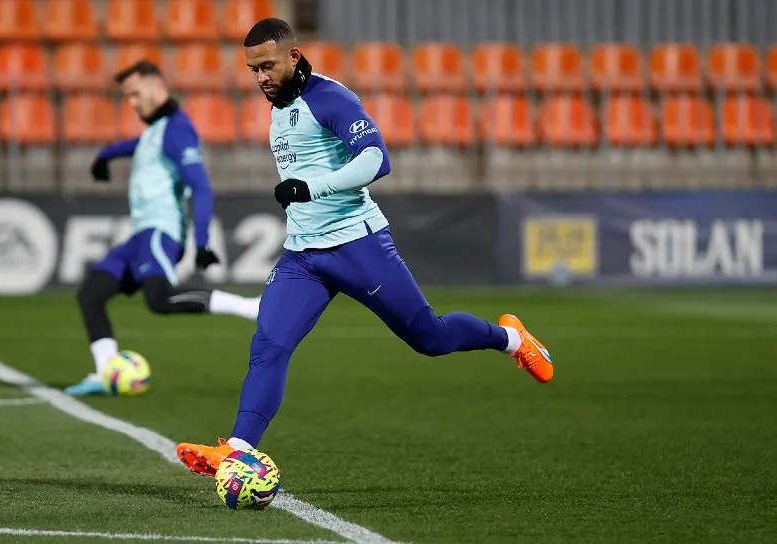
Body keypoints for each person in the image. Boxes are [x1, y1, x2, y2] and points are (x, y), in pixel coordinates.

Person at [176, 19, 553, 472]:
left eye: (268, 66)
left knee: (429, 338)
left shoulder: (330, 98)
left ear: (294, 57)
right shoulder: (279, 102)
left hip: (358, 245)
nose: (260, 78)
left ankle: (511, 338)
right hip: (303, 256)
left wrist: (311, 188)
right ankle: (238, 449)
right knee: (268, 345)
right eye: (253, 70)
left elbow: (377, 159)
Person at [65, 60, 261, 397]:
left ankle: (251, 308)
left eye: (135, 94)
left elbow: (201, 186)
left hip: (160, 232)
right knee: (91, 293)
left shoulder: (177, 129)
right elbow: (134, 146)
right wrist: (104, 156)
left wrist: (201, 242)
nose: (131, 103)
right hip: (139, 236)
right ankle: (105, 372)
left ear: (156, 86)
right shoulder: (155, 131)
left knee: (158, 299)